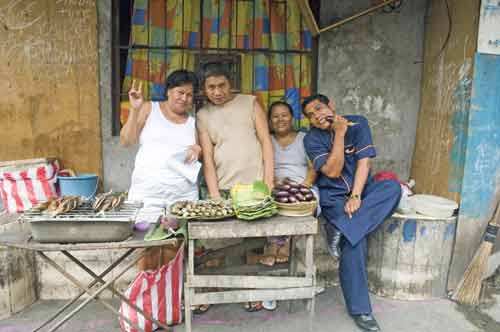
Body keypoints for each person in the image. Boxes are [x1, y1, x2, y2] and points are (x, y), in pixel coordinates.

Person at [302, 94, 401, 332]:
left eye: (319, 109)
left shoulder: (359, 123)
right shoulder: (311, 139)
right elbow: (333, 172)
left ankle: (340, 229)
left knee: (391, 187)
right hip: (334, 198)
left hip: (362, 193)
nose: (317, 116)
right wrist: (339, 133)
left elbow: (364, 162)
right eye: (311, 115)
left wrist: (356, 196)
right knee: (354, 243)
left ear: (331, 105)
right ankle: (361, 311)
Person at [197, 62, 274, 312]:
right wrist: (215, 194)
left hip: (255, 186)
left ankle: (250, 289)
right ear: (204, 89)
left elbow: (266, 142)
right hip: (225, 186)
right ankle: (213, 288)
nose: (217, 92)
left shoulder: (250, 103)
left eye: (222, 86)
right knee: (217, 244)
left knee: (253, 241)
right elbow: (207, 157)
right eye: (211, 87)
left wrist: (269, 183)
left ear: (231, 84)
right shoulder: (203, 115)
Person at [120, 69, 201, 270]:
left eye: (189, 95)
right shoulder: (148, 109)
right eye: (180, 92)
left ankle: (174, 297)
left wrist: (197, 149)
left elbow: (200, 152)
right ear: (168, 91)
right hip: (148, 196)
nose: (184, 98)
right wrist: (135, 110)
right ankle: (151, 299)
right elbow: (126, 141)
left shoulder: (194, 123)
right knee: (148, 250)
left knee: (175, 250)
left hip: (181, 198)